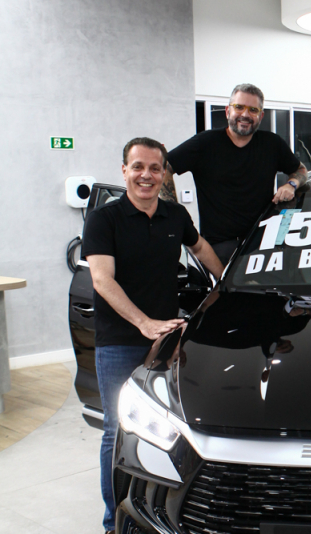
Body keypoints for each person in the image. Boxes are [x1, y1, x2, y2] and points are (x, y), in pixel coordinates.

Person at [82, 137, 224, 534]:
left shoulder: (174, 215)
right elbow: (102, 280)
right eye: (138, 167)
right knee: (118, 430)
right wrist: (143, 322)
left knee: (164, 429)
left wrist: (227, 283)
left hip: (165, 340)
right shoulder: (104, 220)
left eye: (155, 168)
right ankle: (113, 521)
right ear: (124, 171)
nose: (146, 175)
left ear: (164, 174)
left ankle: (158, 508)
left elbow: (200, 247)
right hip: (119, 341)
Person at [162, 83, 309, 262]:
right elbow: (164, 166)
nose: (245, 114)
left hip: (263, 243)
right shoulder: (205, 143)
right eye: (239, 107)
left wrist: (291, 184)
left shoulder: (272, 144)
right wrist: (174, 213)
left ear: (261, 116)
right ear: (227, 111)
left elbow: (300, 169)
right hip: (219, 249)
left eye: (253, 110)